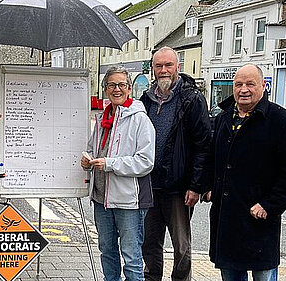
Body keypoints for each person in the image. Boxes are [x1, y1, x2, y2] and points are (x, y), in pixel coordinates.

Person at [206, 64, 286, 281]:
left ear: (263, 86)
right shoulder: (224, 119)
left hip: (259, 220)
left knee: (263, 276)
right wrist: (208, 188)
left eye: (250, 84)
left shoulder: (282, 121)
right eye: (238, 84)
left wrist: (270, 205)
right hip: (228, 221)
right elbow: (213, 159)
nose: (243, 89)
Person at [139, 46, 212, 281]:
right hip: (149, 186)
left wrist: (195, 185)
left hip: (179, 188)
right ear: (152, 68)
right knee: (149, 242)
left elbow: (204, 146)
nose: (163, 70)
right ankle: (152, 278)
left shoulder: (192, 99)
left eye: (168, 65)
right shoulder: (144, 101)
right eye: (158, 66)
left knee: (181, 246)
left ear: (177, 67)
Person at [81, 65, 155, 281]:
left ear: (129, 89)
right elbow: (94, 149)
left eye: (121, 85)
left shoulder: (140, 119)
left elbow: (146, 162)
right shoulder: (103, 120)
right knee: (107, 253)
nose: (117, 89)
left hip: (128, 201)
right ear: (105, 90)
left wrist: (110, 163)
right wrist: (88, 160)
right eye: (111, 85)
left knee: (131, 258)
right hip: (101, 199)